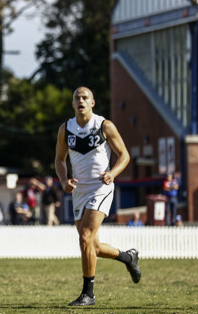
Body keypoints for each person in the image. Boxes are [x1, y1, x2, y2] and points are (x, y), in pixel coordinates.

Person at [55, 86, 141, 307]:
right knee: (91, 245)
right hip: (79, 191)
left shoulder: (105, 126)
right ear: (72, 104)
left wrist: (112, 173)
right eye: (77, 98)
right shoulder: (66, 129)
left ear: (93, 103)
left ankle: (88, 294)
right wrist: (64, 181)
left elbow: (124, 156)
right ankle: (127, 257)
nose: (81, 100)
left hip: (101, 188)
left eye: (85, 97)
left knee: (84, 236)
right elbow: (59, 160)